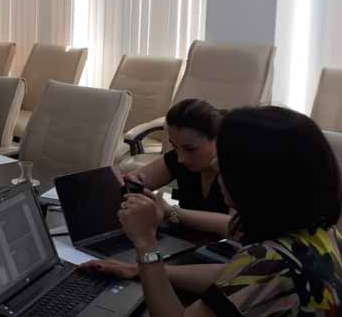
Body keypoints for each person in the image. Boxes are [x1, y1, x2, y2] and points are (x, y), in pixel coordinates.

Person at [83, 106, 342, 316]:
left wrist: (145, 244)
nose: (217, 164)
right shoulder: (323, 235)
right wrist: (141, 270)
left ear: (259, 180)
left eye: (227, 159)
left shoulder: (271, 263)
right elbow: (232, 276)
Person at [124, 99, 232, 237]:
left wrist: (170, 211)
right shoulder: (178, 157)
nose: (181, 158)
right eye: (175, 146)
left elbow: (235, 228)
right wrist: (132, 185)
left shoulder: (239, 169)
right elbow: (126, 184)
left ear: (218, 139)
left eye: (190, 149)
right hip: (185, 240)